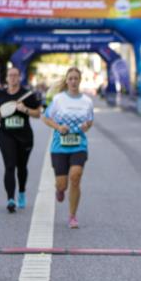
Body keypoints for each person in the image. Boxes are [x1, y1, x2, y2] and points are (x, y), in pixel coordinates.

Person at [43, 67, 94, 229]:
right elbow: (46, 118)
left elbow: (90, 121)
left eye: (76, 78)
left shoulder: (87, 101)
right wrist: (58, 127)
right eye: (70, 78)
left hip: (79, 145)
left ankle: (72, 216)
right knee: (62, 184)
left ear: (80, 81)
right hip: (59, 147)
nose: (73, 81)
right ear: (66, 81)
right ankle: (60, 190)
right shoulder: (59, 99)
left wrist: (86, 126)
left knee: (76, 176)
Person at [0, 66, 43, 213]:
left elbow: (38, 113)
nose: (13, 78)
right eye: (10, 75)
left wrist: (24, 109)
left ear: (19, 77)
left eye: (15, 75)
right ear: (6, 78)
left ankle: (22, 192)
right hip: (6, 134)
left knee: (22, 167)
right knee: (10, 165)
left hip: (24, 136)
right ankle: (10, 199)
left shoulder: (27, 95)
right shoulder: (0, 94)